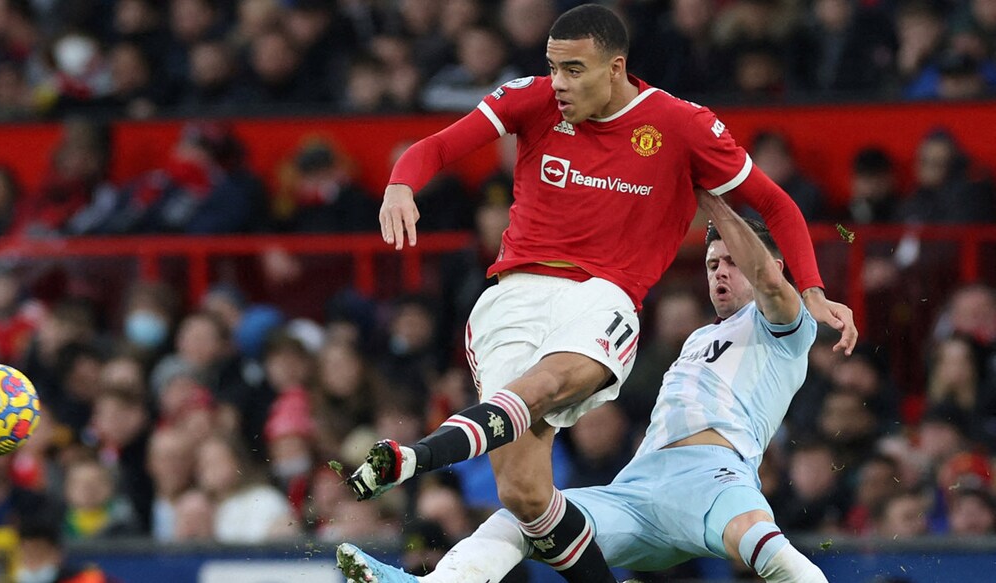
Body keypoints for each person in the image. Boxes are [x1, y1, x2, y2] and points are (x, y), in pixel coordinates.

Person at [346, 5, 855, 583]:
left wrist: (811, 289)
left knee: (545, 386)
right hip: (515, 299)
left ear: (615, 68)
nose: (559, 83)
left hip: (602, 298)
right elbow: (432, 148)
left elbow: (777, 207)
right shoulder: (531, 98)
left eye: (574, 70)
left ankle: (416, 456)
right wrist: (399, 184)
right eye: (553, 67)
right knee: (524, 497)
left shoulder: (680, 125)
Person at [339, 192, 829, 583]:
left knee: (763, 545)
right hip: (640, 490)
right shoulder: (699, 337)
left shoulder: (787, 327)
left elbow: (767, 280)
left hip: (715, 480)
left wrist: (714, 199)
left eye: (731, 262)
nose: (720, 271)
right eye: (711, 263)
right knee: (527, 517)